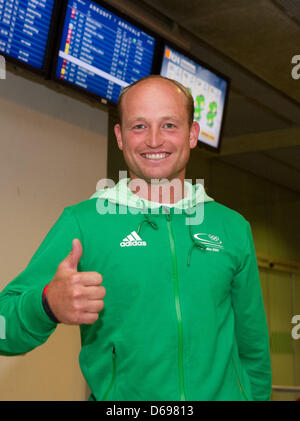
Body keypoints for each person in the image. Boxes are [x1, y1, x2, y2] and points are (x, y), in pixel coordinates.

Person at [0, 75, 272, 401]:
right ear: (120, 136)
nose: (154, 140)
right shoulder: (84, 222)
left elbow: (253, 346)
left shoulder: (232, 227)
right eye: (139, 126)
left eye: (169, 125)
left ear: (193, 134)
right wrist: (45, 305)